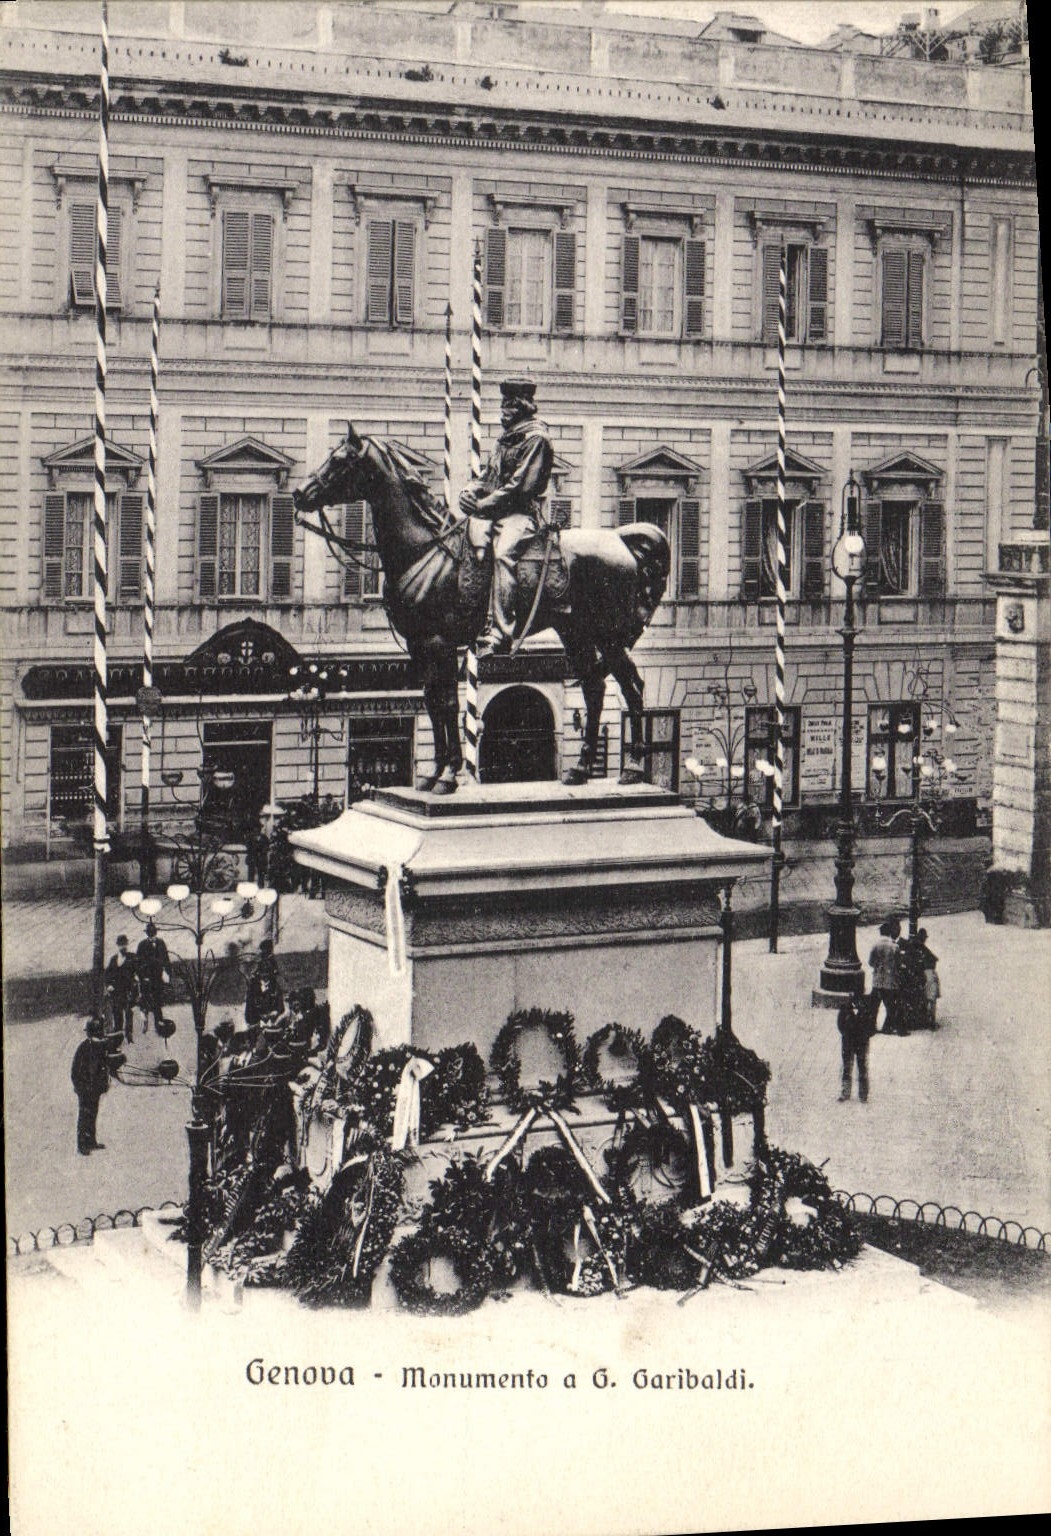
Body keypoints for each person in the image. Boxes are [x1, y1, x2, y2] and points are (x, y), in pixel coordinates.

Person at [458, 375, 554, 657]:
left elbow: (519, 488)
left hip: (521, 513)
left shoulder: (536, 438)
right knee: (464, 542)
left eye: (508, 405)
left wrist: (483, 505)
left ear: (522, 406)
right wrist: (470, 491)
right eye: (503, 404)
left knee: (503, 554)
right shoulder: (506, 438)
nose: (503, 410)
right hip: (494, 509)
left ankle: (501, 632)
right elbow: (489, 476)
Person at [71, 1017, 111, 1155]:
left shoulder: (98, 1047)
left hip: (94, 1089)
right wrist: (81, 1086)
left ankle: (91, 1141)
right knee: (84, 1115)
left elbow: (103, 1068)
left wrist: (103, 1084)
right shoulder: (84, 1048)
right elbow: (75, 1071)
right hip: (85, 1088)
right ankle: (82, 1145)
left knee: (92, 1114)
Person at [837, 993, 877, 1103]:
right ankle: (846, 1092)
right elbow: (840, 1025)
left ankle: (863, 1094)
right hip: (849, 1042)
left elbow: (872, 1028)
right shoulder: (845, 1009)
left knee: (862, 1067)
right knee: (847, 1067)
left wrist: (863, 1034)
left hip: (860, 1042)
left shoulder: (866, 1010)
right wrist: (848, 1033)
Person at [136, 920, 171, 1034]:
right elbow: (138, 963)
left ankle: (158, 1024)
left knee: (157, 1001)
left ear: (155, 933)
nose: (151, 935)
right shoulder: (142, 945)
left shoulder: (161, 943)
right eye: (149, 933)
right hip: (146, 978)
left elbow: (166, 959)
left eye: (153, 932)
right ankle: (145, 1022)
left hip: (158, 977)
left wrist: (167, 973)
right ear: (147, 934)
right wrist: (142, 977)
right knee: (145, 1000)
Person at [868, 918, 902, 1034]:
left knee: (874, 1006)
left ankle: (871, 1026)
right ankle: (887, 1027)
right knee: (890, 1006)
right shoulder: (894, 946)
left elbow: (871, 962)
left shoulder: (875, 945)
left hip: (877, 980)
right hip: (890, 981)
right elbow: (898, 963)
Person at [104, 933, 139, 1045]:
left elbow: (138, 971)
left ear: (127, 945)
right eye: (121, 945)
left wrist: (137, 980)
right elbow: (107, 975)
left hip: (128, 991)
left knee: (129, 1014)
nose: (123, 947)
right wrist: (109, 985)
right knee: (117, 1014)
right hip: (116, 992)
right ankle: (118, 1037)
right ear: (118, 946)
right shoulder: (113, 959)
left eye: (124, 944)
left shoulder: (132, 957)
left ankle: (129, 1037)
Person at [244, 939, 285, 1028]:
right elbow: (249, 1010)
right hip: (257, 1023)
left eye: (268, 971)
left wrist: (275, 1013)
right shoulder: (253, 987)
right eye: (264, 971)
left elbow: (281, 1007)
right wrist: (260, 1016)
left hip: (273, 1023)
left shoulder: (275, 986)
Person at [915, 928, 940, 1029]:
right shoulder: (923, 949)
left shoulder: (918, 947)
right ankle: (931, 1021)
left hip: (921, 974)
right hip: (929, 973)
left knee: (926, 998)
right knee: (931, 999)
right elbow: (934, 959)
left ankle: (927, 1020)